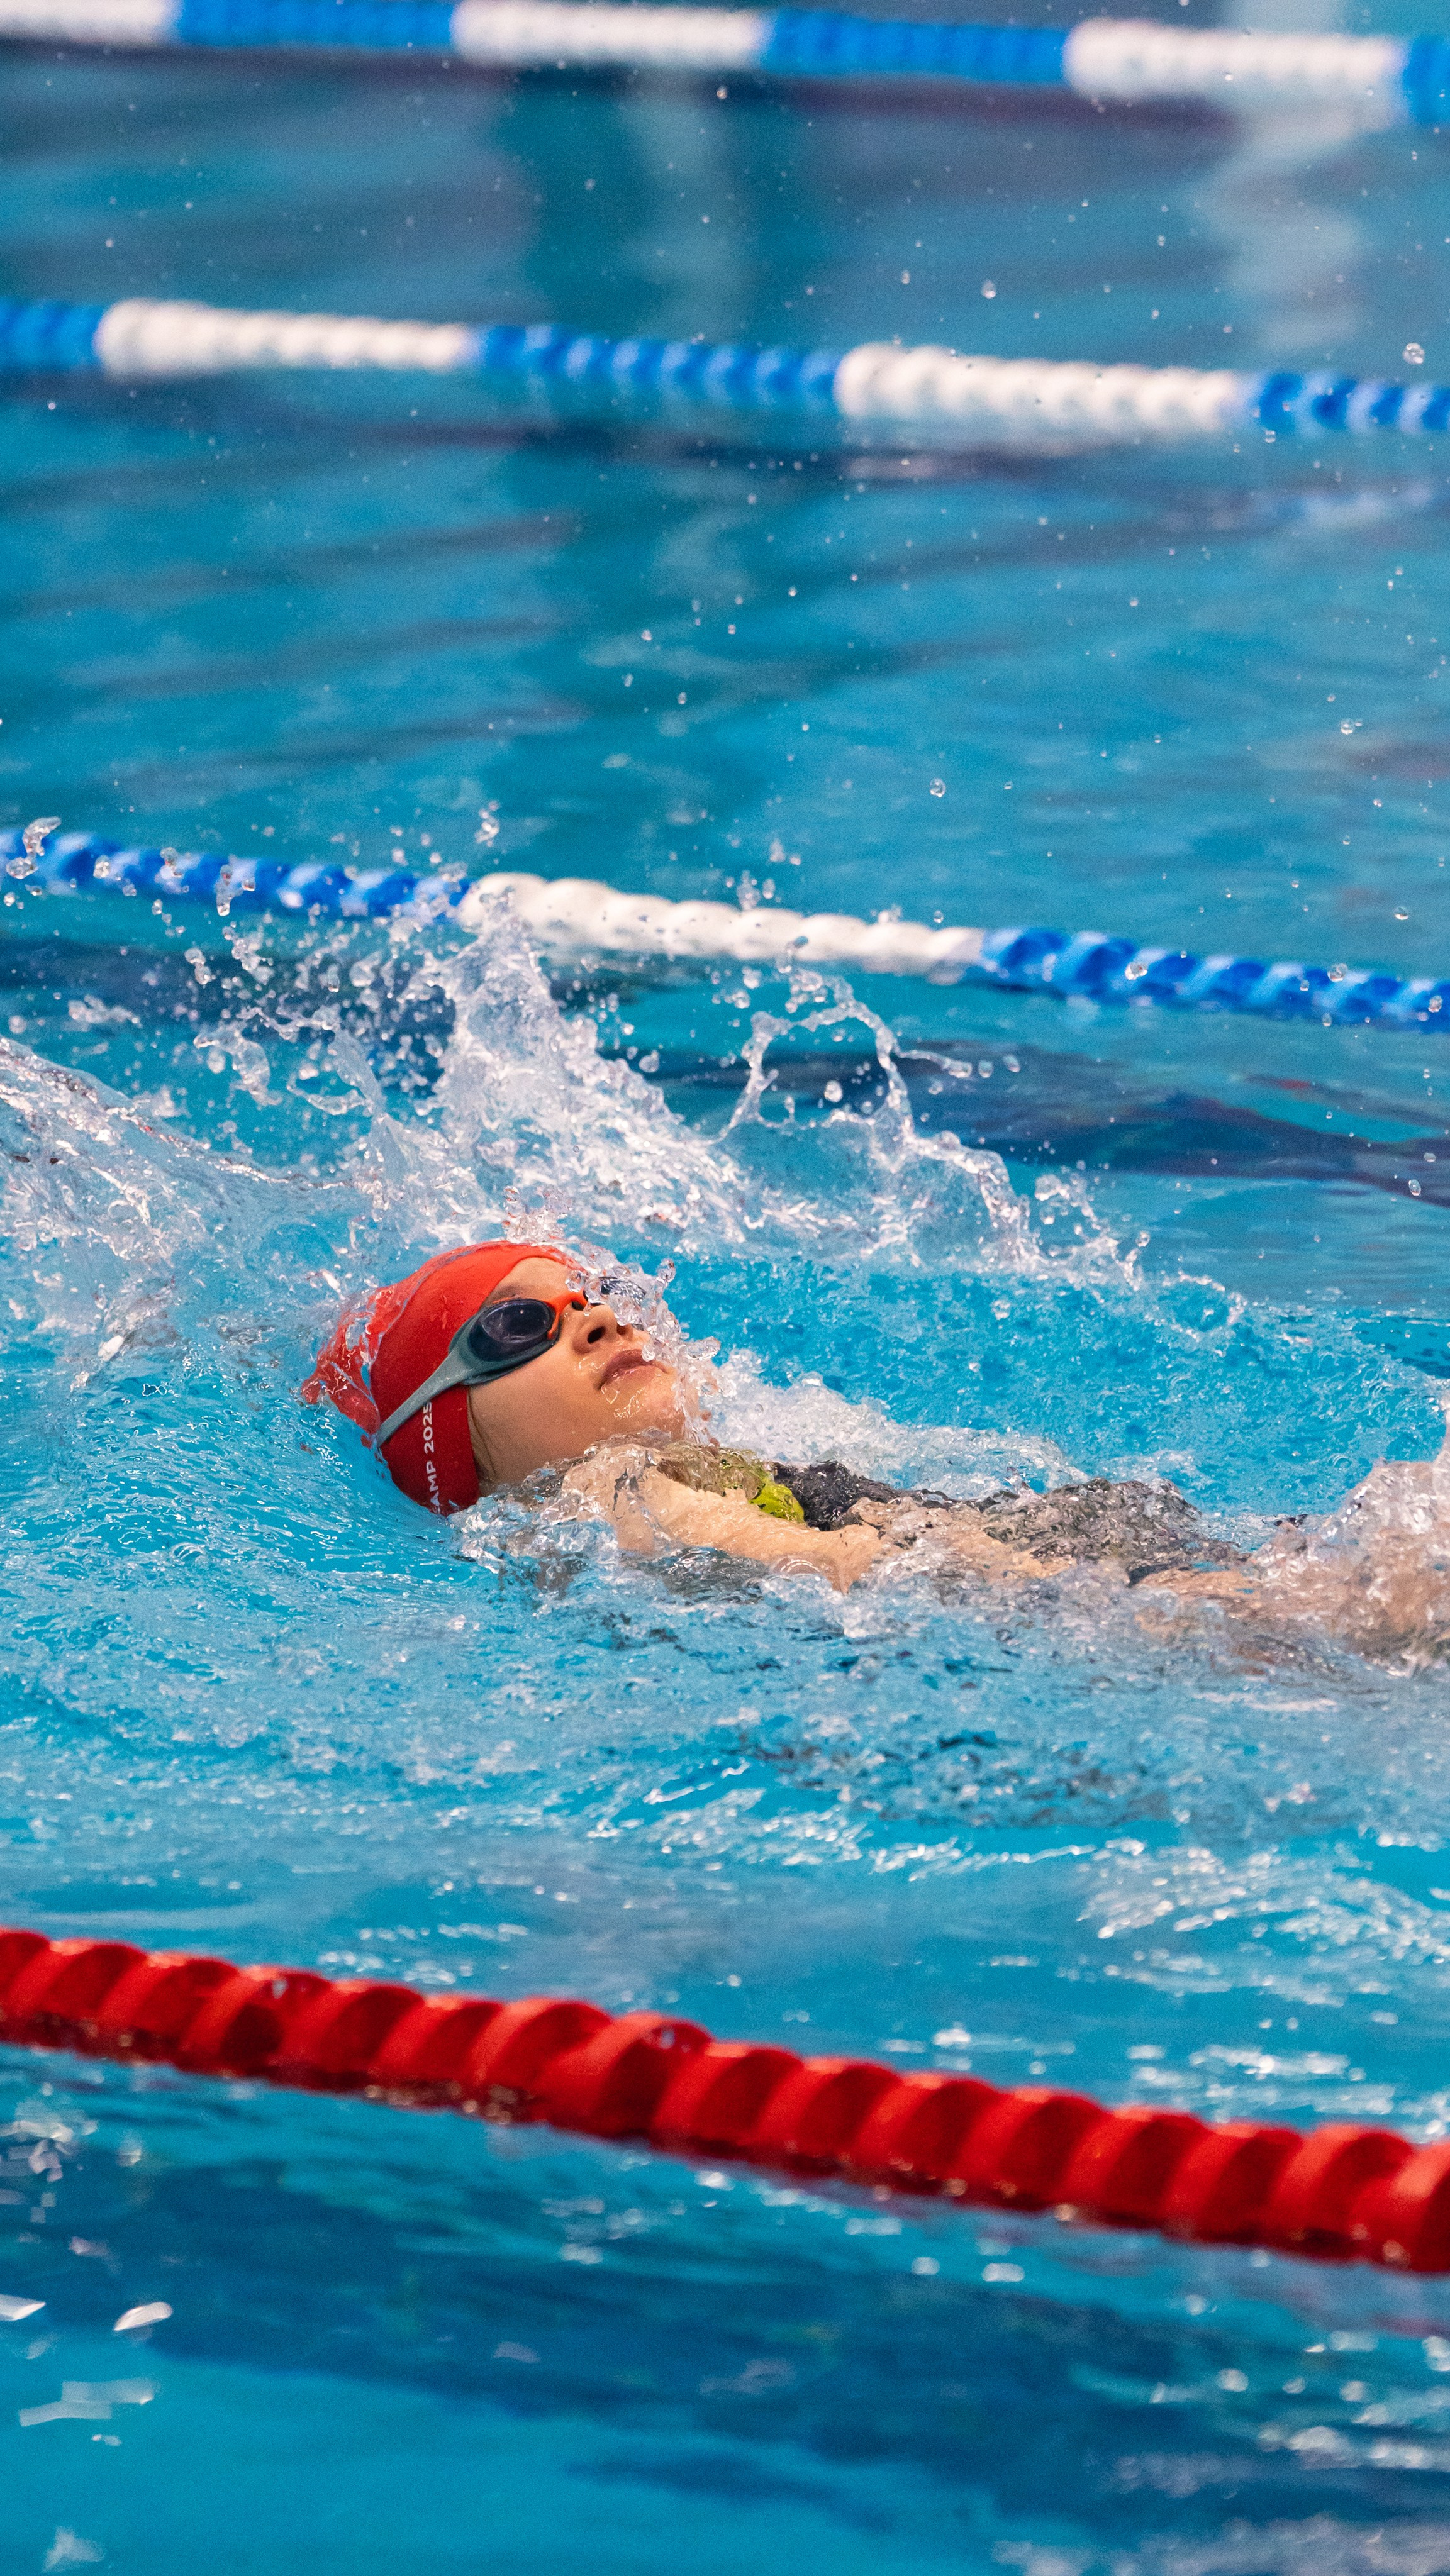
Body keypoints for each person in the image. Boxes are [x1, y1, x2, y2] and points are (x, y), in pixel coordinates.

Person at [304, 1238, 1450, 1659]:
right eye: (519, 1327)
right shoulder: (604, 1503)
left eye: (591, 1293)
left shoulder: (717, 1461)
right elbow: (855, 1575)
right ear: (446, 1435)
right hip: (1033, 1609)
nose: (597, 1320)